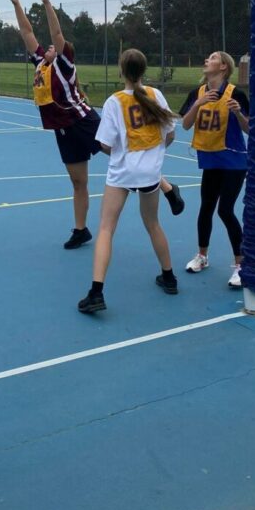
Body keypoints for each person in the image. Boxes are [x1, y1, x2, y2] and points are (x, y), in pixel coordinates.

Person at [78, 49, 179, 313]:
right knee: (153, 224)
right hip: (150, 174)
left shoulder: (115, 102)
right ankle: (169, 277)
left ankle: (96, 292)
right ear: (144, 71)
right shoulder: (156, 95)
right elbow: (169, 136)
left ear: (121, 71)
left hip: (122, 174)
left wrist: (123, 154)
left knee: (106, 229)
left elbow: (103, 144)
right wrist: (154, 155)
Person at [11, 0, 101, 249]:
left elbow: (57, 33)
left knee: (119, 151)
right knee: (78, 181)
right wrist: (17, 5)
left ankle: (164, 186)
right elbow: (26, 31)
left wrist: (47, 3)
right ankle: (81, 229)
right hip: (63, 129)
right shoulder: (41, 63)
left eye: (52, 46)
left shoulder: (65, 62)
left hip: (82, 121)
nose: (48, 47)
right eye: (47, 47)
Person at [179, 51, 250, 288]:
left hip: (234, 161)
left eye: (211, 58)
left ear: (223, 68)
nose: (206, 60)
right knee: (206, 208)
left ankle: (241, 265)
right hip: (210, 160)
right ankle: (202, 256)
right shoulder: (197, 93)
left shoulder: (236, 94)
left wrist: (238, 112)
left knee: (225, 210)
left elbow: (250, 130)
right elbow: (186, 125)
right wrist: (197, 105)